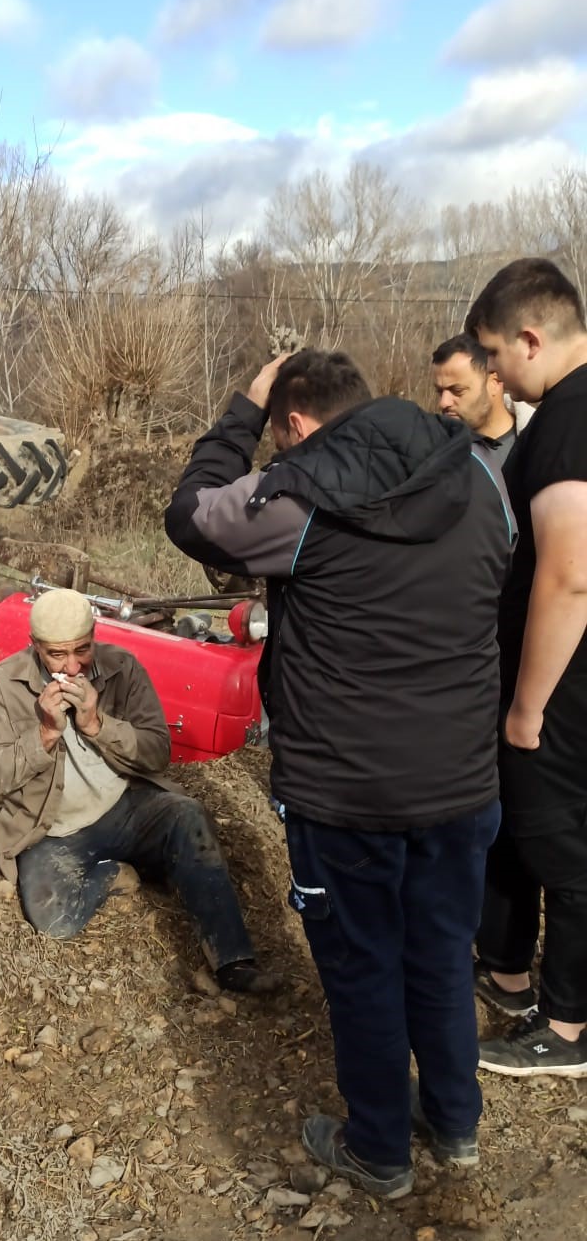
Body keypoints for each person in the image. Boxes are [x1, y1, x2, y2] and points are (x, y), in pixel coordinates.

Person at [165, 348, 514, 1197]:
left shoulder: (298, 495)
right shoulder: (477, 471)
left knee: (363, 964)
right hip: (462, 779)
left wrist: (241, 410)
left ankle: (380, 1150)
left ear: (292, 421)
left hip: (347, 790)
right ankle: (455, 1125)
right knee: (441, 951)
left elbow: (190, 516)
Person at [0, 585, 275, 995]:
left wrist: (97, 724)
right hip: (53, 828)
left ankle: (233, 960)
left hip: (123, 805)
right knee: (54, 920)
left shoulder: (122, 668)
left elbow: (157, 753)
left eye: (82, 650)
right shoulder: (7, 681)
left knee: (187, 815)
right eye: (57, 654)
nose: (72, 666)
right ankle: (118, 872)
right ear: (35, 646)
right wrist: (45, 733)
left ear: (94, 636)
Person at [465, 257, 587, 1076]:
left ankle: (569, 1027)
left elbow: (570, 575)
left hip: (563, 687)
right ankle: (509, 975)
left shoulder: (570, 420)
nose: (496, 377)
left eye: (496, 355)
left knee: (561, 847)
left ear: (531, 339)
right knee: (518, 828)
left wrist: (527, 706)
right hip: (551, 679)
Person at [431, 333, 517, 469]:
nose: (443, 402)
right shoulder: (433, 453)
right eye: (440, 392)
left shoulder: (539, 445)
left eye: (457, 390)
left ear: (494, 383)